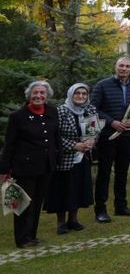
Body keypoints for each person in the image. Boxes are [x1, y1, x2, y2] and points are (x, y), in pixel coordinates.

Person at [0, 81, 60, 248]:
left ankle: (32, 235)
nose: (39, 96)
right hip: (24, 168)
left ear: (47, 95)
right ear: (29, 95)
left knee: (37, 202)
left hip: (46, 166)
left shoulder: (52, 112)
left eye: (42, 93)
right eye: (35, 93)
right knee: (24, 204)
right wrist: (4, 169)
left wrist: (57, 158)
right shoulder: (18, 116)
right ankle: (22, 238)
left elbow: (55, 138)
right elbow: (9, 144)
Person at [92, 56, 130, 223]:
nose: (124, 69)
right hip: (107, 137)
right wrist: (112, 122)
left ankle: (121, 206)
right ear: (115, 67)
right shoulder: (102, 85)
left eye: (127, 66)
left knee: (122, 173)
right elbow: (93, 109)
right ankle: (100, 210)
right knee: (104, 174)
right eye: (121, 66)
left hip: (126, 137)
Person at [45, 83, 95, 234]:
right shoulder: (61, 111)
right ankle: (61, 223)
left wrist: (92, 141)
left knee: (78, 189)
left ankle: (73, 219)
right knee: (62, 189)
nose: (80, 96)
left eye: (84, 94)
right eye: (77, 94)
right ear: (71, 95)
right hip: (65, 158)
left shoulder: (90, 109)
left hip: (83, 157)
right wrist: (74, 145)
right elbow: (54, 136)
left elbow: (94, 130)